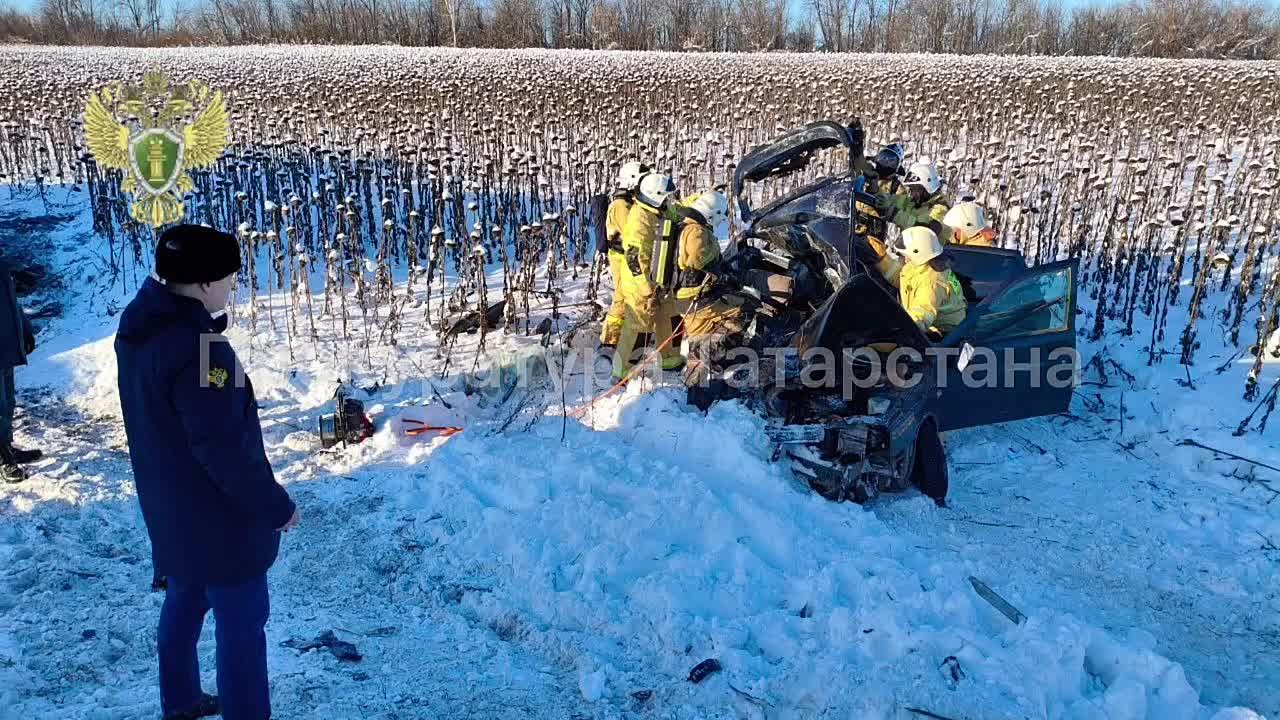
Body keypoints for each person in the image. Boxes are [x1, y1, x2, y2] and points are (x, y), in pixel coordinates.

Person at [115, 225, 299, 720]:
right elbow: (225, 451)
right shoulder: (202, 352)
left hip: (171, 509)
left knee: (184, 602)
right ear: (200, 285)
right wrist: (276, 508)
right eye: (228, 277)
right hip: (219, 522)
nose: (233, 284)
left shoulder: (139, 326)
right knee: (242, 628)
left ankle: (181, 701)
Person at [613, 173, 684, 380]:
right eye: (666, 196)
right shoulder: (640, 220)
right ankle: (623, 369)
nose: (669, 200)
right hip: (640, 285)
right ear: (655, 196)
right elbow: (634, 259)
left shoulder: (659, 210)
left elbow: (678, 211)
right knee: (639, 326)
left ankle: (670, 357)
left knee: (671, 316)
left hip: (660, 279)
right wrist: (647, 290)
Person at [0, 254, 40, 484]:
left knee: (7, 403)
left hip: (6, 345)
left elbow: (12, 300)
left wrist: (24, 329)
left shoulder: (2, 263)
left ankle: (6, 447)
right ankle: (2, 457)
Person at [600, 161, 647, 347]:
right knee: (621, 297)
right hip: (621, 258)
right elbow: (632, 234)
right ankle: (609, 341)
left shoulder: (630, 202)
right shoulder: (620, 205)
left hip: (628, 256)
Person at [898, 226, 967, 339]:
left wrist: (898, 331)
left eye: (907, 255)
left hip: (943, 334)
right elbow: (906, 280)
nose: (905, 259)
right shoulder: (921, 265)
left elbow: (922, 317)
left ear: (918, 252)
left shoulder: (931, 282)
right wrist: (882, 260)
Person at [886, 161, 948, 232]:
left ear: (926, 187)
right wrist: (891, 187)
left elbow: (928, 229)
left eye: (914, 189)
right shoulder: (918, 202)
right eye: (910, 188)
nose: (911, 193)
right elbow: (900, 203)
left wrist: (897, 216)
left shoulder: (941, 206)